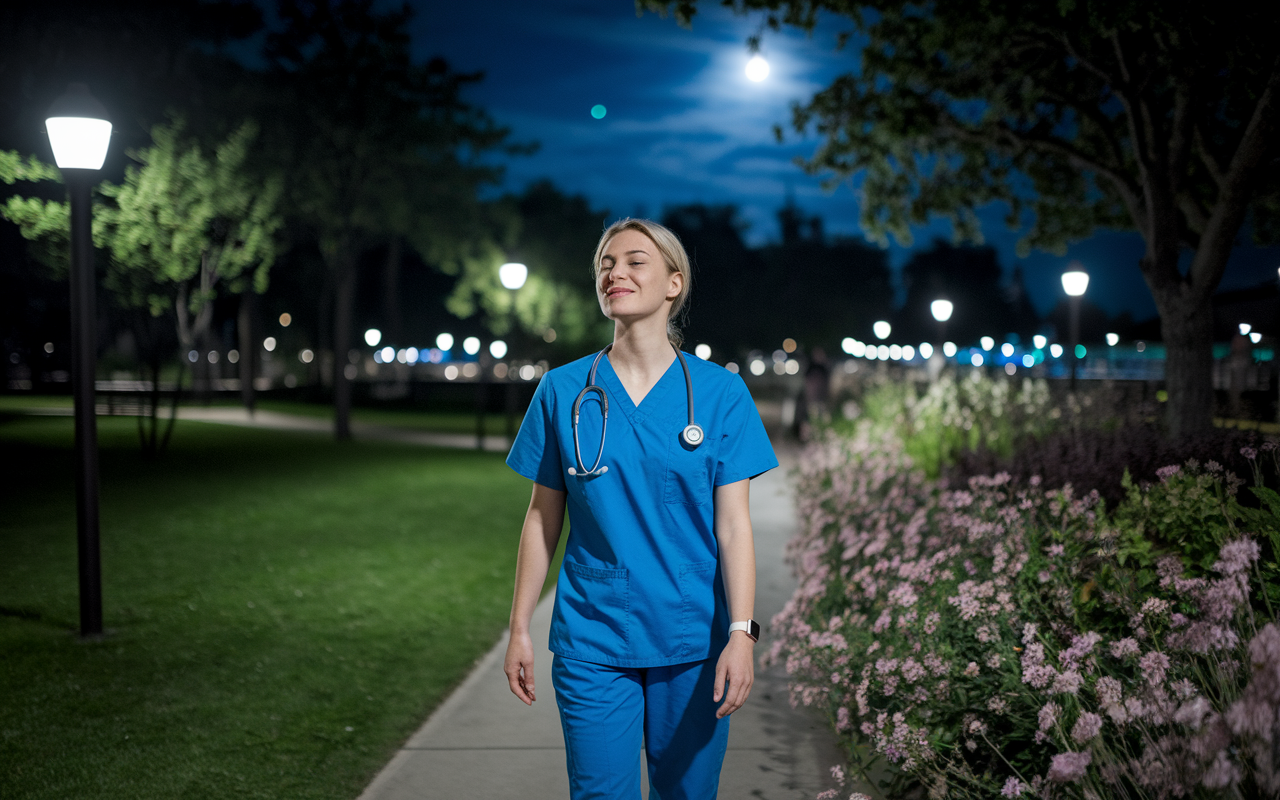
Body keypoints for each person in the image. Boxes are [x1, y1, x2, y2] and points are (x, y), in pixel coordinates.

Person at [503, 218, 778, 799]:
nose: (615, 273)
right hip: (593, 636)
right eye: (605, 263)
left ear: (674, 283)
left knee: (687, 794)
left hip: (693, 639)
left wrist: (742, 634)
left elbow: (734, 527)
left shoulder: (720, 394)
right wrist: (519, 628)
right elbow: (541, 518)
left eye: (634, 261)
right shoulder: (562, 391)